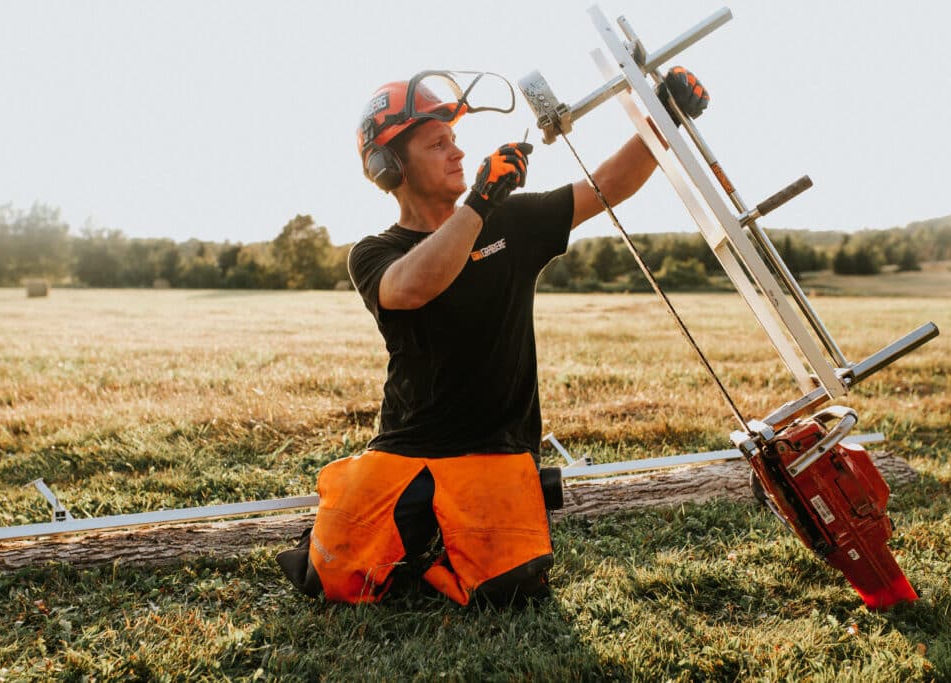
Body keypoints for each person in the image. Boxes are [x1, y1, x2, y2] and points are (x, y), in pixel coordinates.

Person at [278, 67, 710, 606]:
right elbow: (411, 288)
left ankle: (438, 546)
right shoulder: (374, 252)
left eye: (454, 140)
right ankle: (423, 539)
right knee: (332, 574)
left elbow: (606, 187)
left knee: (508, 589)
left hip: (495, 452)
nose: (457, 152)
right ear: (390, 167)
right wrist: (480, 203)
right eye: (438, 144)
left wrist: (663, 115)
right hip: (405, 452)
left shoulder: (513, 221)